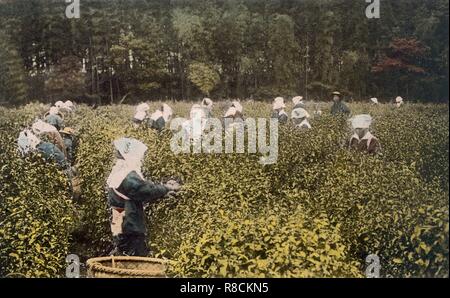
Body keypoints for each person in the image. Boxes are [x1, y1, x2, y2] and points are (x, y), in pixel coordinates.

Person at [106, 137, 181, 256]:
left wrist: (163, 189)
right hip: (129, 223)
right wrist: (167, 188)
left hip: (121, 220)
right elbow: (145, 190)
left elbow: (141, 188)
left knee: (123, 247)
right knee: (134, 252)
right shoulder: (127, 175)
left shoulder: (119, 171)